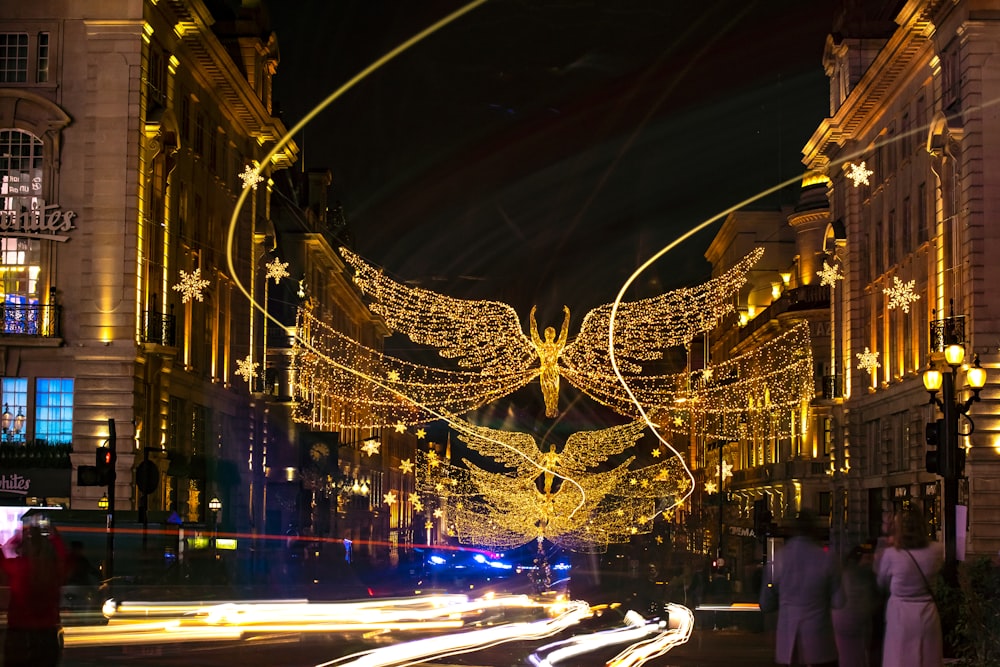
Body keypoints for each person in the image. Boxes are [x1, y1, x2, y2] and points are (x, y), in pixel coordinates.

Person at [764, 509, 839, 667]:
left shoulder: (779, 558)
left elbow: (766, 602)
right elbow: (839, 600)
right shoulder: (826, 558)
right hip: (819, 641)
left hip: (788, 640)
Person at [876, 507, 943, 667]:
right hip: (927, 612)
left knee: (900, 658)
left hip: (900, 614)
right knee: (927, 658)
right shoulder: (936, 550)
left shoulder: (892, 554)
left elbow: (881, 581)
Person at [1, 522, 70, 667]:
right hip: (47, 630)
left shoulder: (18, 566)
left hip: (19, 631)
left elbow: (3, 554)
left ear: (24, 548)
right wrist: (55, 538)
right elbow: (64, 557)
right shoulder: (53, 569)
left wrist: (19, 536)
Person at [832, 544, 879, 667]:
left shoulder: (843, 572)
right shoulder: (868, 575)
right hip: (859, 623)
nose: (872, 560)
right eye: (868, 558)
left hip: (840, 621)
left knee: (845, 654)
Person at [529, 305, 570, 418]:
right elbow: (534, 333)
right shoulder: (544, 347)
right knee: (548, 392)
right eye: (548, 333)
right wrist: (532, 317)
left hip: (552, 371)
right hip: (547, 371)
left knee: (554, 392)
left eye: (550, 333)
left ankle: (553, 410)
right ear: (546, 335)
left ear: (552, 335)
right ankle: (550, 409)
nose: (549, 335)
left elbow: (564, 333)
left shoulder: (554, 347)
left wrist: (567, 317)